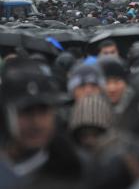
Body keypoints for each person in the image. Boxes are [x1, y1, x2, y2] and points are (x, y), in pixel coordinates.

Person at [0, 58, 83, 189]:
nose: (36, 123)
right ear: (7, 115)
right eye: (26, 112)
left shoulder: (76, 170)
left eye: (43, 111)